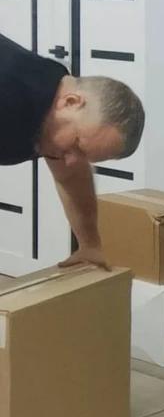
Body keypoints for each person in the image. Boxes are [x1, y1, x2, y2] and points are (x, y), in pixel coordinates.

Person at [0, 31, 145, 267]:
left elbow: (71, 176)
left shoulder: (53, 102)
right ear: (71, 102)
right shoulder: (7, 90)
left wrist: (90, 245)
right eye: (77, 145)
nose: (71, 161)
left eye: (85, 156)